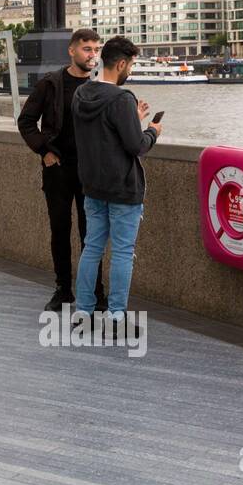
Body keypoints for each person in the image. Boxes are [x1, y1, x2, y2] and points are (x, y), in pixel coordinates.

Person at [71, 36, 162, 321]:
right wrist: (153, 131)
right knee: (122, 252)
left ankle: (83, 311)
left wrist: (130, 118)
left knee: (92, 248)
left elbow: (105, 132)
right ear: (121, 64)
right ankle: (116, 317)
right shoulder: (122, 98)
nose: (130, 71)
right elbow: (137, 146)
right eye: (130, 65)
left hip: (93, 186)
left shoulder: (82, 93)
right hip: (122, 188)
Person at [18, 27, 107, 312]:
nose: (92, 54)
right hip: (58, 170)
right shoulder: (51, 84)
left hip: (90, 171)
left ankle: (95, 293)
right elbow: (27, 121)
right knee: (60, 229)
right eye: (86, 49)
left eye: (96, 49)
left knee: (90, 234)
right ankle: (63, 290)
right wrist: (44, 151)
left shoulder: (101, 86)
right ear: (72, 50)